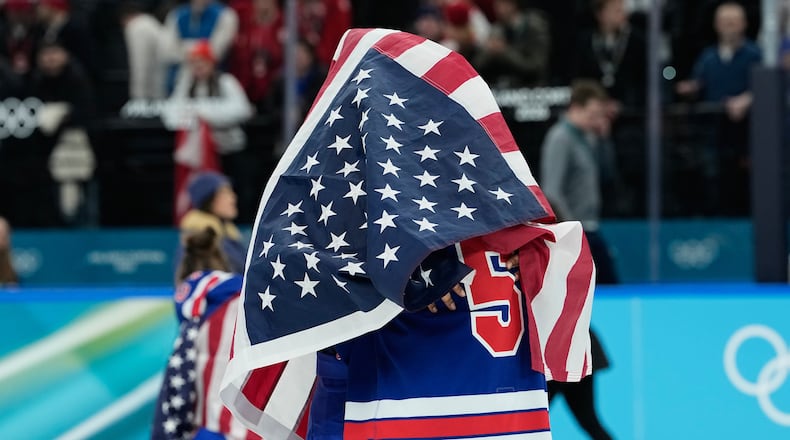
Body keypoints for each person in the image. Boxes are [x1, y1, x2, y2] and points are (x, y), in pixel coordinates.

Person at [539, 79, 615, 439]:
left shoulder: (587, 139)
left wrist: (603, 137)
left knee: (581, 422)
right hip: (575, 236)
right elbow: (551, 189)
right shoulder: (560, 138)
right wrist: (569, 235)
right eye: (595, 112)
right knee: (585, 422)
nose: (599, 118)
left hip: (567, 348)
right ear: (579, 106)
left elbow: (611, 178)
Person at [151, 227, 270, 439]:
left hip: (209, 426)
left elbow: (179, 382)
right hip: (252, 422)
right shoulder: (251, 298)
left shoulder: (192, 313)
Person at [675, 1, 761, 216]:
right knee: (714, 184)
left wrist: (746, 99)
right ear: (716, 25)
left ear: (743, 24)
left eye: (733, 21)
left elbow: (767, 88)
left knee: (743, 188)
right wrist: (691, 88)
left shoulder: (755, 55)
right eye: (724, 22)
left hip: (746, 137)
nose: (729, 26)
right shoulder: (708, 57)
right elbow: (699, 83)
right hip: (714, 135)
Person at [162, 40, 254, 220]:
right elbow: (170, 115)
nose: (198, 68)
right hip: (200, 155)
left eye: (202, 63)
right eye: (194, 64)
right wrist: (194, 117)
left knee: (234, 194)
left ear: (211, 63)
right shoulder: (186, 84)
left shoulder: (226, 82)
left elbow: (241, 109)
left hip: (228, 150)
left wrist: (202, 113)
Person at [573, 0, 647, 109]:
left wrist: (624, 105)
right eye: (616, 11)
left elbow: (643, 82)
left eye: (623, 10)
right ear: (600, 14)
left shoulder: (637, 41)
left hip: (630, 111)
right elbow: (579, 79)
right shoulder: (586, 41)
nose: (623, 14)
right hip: (592, 108)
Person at [179, 171, 247, 274]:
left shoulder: (228, 236)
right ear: (209, 200)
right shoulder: (199, 241)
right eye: (225, 193)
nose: (233, 198)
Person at [474, 0, 551, 87]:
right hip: (502, 88)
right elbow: (477, 65)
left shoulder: (534, 27)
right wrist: (489, 51)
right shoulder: (497, 29)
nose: (498, 9)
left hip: (533, 88)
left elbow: (536, 65)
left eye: (502, 3)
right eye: (496, 4)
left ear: (513, 4)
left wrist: (504, 51)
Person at [119, 1, 165, 100]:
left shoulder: (137, 27)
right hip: (162, 81)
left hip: (158, 87)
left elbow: (139, 65)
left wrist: (136, 98)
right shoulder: (149, 21)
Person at [0, 217, 18, 286]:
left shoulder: (7, 258)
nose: (3, 237)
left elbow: (12, 285)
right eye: (0, 233)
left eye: (6, 233)